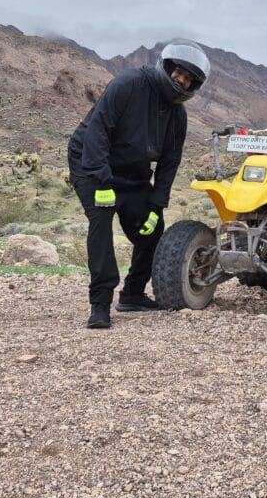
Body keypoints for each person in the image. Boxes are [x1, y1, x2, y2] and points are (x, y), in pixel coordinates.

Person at [67, 39, 211, 329]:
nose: (181, 80)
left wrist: (157, 205)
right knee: (101, 223)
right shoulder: (129, 83)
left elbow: (170, 162)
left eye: (188, 79)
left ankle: (133, 293)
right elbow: (98, 130)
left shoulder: (177, 116)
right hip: (91, 163)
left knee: (153, 230)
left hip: (132, 174)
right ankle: (100, 303)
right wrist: (103, 181)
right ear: (168, 67)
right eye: (179, 73)